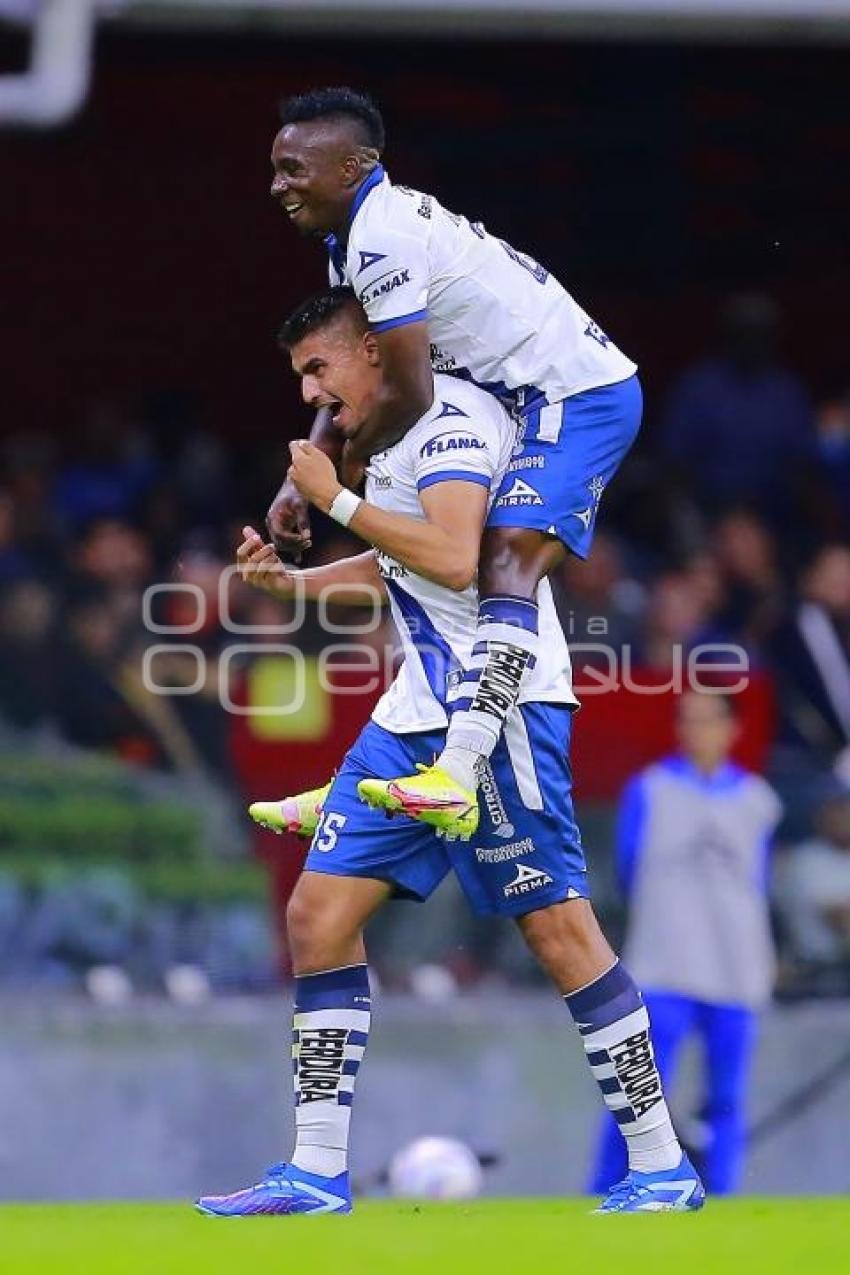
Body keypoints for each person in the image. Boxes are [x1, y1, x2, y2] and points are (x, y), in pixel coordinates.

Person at [196, 288, 702, 1216]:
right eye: (301, 375)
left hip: (499, 703)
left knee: (560, 935)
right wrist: (298, 583)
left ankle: (662, 1161)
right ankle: (314, 1170)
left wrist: (336, 497)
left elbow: (459, 554)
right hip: (414, 707)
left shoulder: (453, 421)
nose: (312, 391)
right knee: (315, 914)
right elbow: (400, 562)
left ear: (374, 353)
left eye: (320, 367)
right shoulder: (384, 434)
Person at [264, 86, 642, 840]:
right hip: (513, 402)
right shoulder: (354, 240)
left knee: (495, 562)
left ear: (354, 166)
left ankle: (457, 774)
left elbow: (407, 385)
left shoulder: (385, 238)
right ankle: (361, 782)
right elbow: (353, 369)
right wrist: (301, 479)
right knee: (420, 574)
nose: (278, 185)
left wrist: (342, 476)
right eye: (275, 169)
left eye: (293, 168)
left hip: (573, 395)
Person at [589, 691, 781, 1195]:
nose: (698, 731)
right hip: (664, 962)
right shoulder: (649, 790)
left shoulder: (758, 800)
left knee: (727, 1097)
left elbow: (760, 884)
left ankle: (721, 1191)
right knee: (639, 1091)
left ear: (732, 729)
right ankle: (610, 1187)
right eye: (689, 721)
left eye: (708, 721)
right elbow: (628, 872)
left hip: (736, 967)